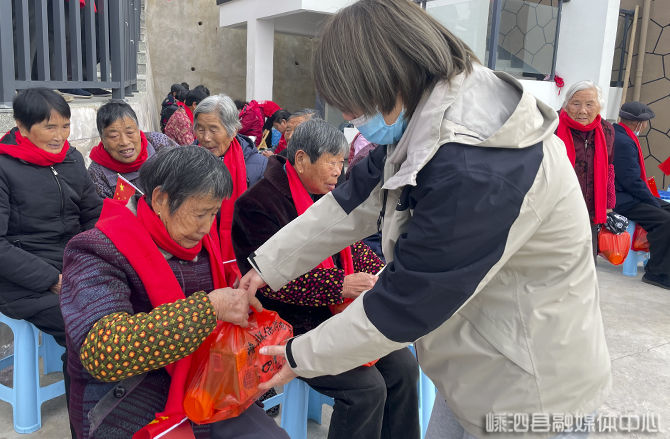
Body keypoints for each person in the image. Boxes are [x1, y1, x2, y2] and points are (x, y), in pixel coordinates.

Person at [239, 1, 612, 438]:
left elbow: (405, 304)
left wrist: (295, 356)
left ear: (388, 79)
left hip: (529, 389)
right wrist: (264, 268)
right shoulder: (428, 112)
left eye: (351, 105)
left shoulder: (477, 163)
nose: (348, 119)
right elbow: (354, 199)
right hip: (474, 368)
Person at [60, 146, 289, 439]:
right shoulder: (96, 250)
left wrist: (237, 300)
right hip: (130, 396)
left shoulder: (203, 244)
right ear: (160, 199)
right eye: (199, 214)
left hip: (206, 382)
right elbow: (104, 351)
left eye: (214, 214)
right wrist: (209, 309)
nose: (207, 228)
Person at [232, 119, 419, 438]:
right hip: (291, 324)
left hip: (339, 314)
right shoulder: (257, 204)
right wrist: (341, 285)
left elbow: (350, 245)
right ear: (302, 159)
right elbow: (275, 282)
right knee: (366, 389)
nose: (339, 171)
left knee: (403, 368)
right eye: (332, 162)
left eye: (342, 162)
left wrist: (374, 272)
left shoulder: (326, 195)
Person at [0, 88, 102, 414]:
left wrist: (101, 256)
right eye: (50, 127)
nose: (60, 136)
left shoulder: (71, 159)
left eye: (65, 126)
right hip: (22, 280)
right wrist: (50, 278)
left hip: (72, 265)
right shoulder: (4, 167)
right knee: (87, 329)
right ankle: (88, 418)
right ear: (22, 125)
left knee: (130, 306)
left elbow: (93, 214)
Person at [194, 94, 268, 285]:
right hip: (198, 257)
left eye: (213, 130)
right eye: (200, 129)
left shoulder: (258, 166)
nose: (205, 137)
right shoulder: (186, 161)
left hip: (243, 259)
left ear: (233, 130)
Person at [613, 101, 670, 288]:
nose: (645, 126)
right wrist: (652, 200)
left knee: (665, 209)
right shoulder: (623, 141)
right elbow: (631, 181)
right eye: (645, 122)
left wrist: (653, 199)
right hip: (623, 199)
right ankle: (656, 272)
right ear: (639, 123)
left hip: (631, 195)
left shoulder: (623, 136)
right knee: (664, 221)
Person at [556, 81, 616, 258]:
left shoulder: (607, 130)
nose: (582, 110)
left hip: (590, 209)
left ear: (599, 106)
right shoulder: (553, 127)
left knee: (586, 262)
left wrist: (608, 204)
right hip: (557, 208)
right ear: (566, 105)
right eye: (576, 103)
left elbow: (610, 168)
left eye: (589, 104)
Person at [88, 100, 178, 198]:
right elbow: (104, 210)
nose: (124, 142)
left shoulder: (159, 143)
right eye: (114, 136)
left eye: (130, 132)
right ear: (102, 139)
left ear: (138, 131)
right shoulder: (96, 174)